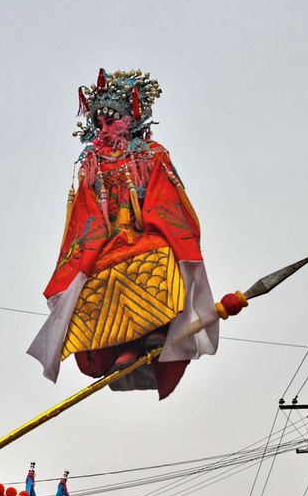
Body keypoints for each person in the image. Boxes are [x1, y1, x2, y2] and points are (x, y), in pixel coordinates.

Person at [27, 69, 218, 399]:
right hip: (106, 238)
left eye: (112, 120)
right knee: (99, 276)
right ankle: (123, 346)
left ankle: (156, 331)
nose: (104, 128)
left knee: (156, 257)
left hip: (147, 230)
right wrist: (93, 247)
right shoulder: (91, 162)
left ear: (131, 117)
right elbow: (85, 213)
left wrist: (155, 227)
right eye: (99, 122)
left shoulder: (150, 152)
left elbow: (165, 199)